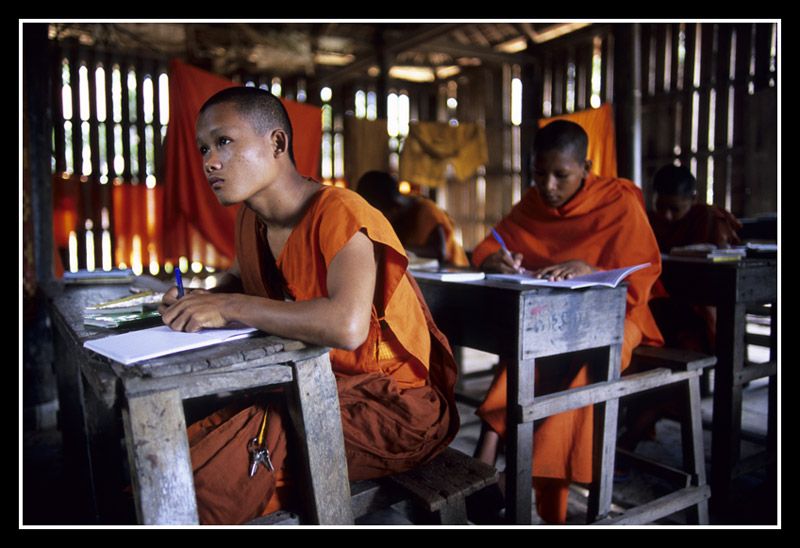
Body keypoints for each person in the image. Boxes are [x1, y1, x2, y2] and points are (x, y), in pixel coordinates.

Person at [159, 86, 459, 524]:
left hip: (390, 407)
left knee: (218, 471)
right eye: (204, 147)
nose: (209, 161)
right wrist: (202, 299)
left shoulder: (338, 210)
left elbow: (348, 325)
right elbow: (241, 276)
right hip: (320, 386)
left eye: (224, 141)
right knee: (200, 437)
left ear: (277, 143)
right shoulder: (252, 219)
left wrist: (229, 305)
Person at [469, 120, 664, 524]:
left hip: (620, 318)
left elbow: (642, 274)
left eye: (561, 175)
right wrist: (494, 259)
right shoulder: (533, 203)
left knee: (588, 368)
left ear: (586, 167)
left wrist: (592, 268)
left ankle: (511, 479)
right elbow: (490, 242)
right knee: (525, 352)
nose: (548, 187)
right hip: (558, 319)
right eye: (539, 174)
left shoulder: (618, 202)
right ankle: (488, 455)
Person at [355, 170, 469, 267]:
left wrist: (396, 248)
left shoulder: (426, 210)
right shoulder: (397, 219)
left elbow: (439, 252)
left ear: (393, 207)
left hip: (453, 273)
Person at [647, 163, 742, 252]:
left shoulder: (708, 219)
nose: (666, 215)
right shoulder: (649, 220)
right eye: (660, 206)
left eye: (674, 209)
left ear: (693, 199)